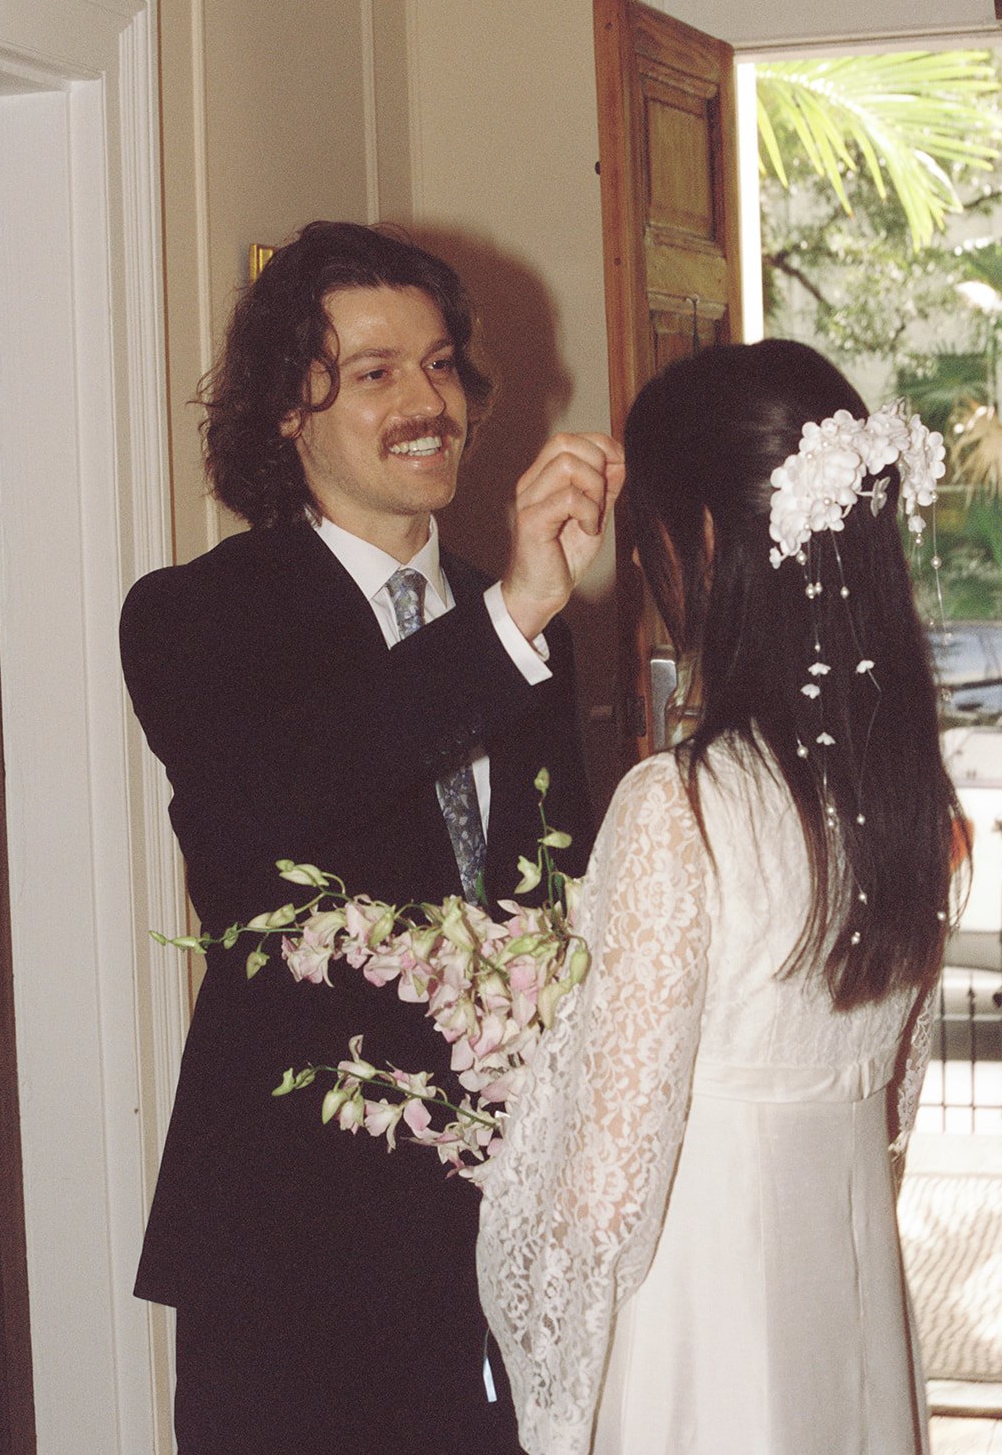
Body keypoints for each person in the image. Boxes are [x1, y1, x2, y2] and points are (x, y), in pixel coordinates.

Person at [119, 220, 624, 1455]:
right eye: (374, 371)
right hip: (295, 1241)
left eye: (443, 364)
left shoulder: (525, 622)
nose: (426, 401)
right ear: (289, 409)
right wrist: (508, 616)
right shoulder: (196, 615)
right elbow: (277, 811)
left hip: (503, 1236)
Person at [477, 338, 967, 1455]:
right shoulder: (904, 801)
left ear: (694, 541)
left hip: (703, 1320)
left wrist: (549, 1395)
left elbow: (601, 1202)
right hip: (843, 1298)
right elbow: (886, 1113)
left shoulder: (679, 810)